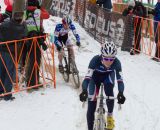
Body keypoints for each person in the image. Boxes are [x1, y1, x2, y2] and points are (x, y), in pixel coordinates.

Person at [79, 41, 126, 130]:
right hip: (95, 78)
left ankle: (109, 117)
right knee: (91, 104)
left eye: (111, 59)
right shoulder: (95, 60)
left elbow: (120, 80)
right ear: (101, 56)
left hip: (108, 77)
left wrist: (121, 92)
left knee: (109, 92)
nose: (109, 62)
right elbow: (87, 78)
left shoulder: (117, 63)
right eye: (106, 59)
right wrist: (84, 90)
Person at [0, 11, 27, 101]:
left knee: (2, 71)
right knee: (9, 73)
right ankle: (7, 95)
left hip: (1, 50)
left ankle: (0, 91)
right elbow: (24, 33)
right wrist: (24, 25)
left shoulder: (5, 24)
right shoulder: (18, 27)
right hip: (10, 51)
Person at [25, 0, 49, 89]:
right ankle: (33, 83)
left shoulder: (25, 13)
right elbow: (47, 15)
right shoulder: (38, 12)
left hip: (28, 39)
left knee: (30, 60)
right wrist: (41, 8)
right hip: (37, 40)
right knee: (36, 61)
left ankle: (29, 81)